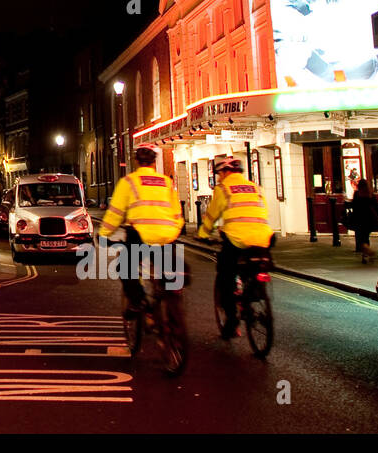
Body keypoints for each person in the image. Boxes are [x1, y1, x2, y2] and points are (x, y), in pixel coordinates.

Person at [98, 143, 183, 311]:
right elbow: (177, 215)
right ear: (154, 162)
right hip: (166, 237)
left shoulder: (129, 182)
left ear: (137, 161)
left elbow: (115, 213)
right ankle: (169, 299)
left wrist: (103, 234)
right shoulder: (166, 182)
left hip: (139, 237)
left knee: (124, 268)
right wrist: (173, 232)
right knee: (170, 273)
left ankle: (138, 302)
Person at [198, 155, 274, 337]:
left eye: (219, 173)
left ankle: (231, 321)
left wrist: (203, 234)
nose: (219, 177)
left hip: (237, 240)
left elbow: (212, 215)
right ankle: (254, 290)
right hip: (263, 239)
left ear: (225, 172)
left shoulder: (223, 189)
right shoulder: (256, 188)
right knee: (255, 268)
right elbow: (264, 212)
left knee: (225, 276)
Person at [347, 179, 378, 264]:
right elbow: (376, 205)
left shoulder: (357, 194)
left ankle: (369, 252)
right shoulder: (370, 194)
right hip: (369, 218)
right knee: (365, 237)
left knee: (361, 239)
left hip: (359, 218)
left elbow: (353, 205)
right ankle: (366, 255)